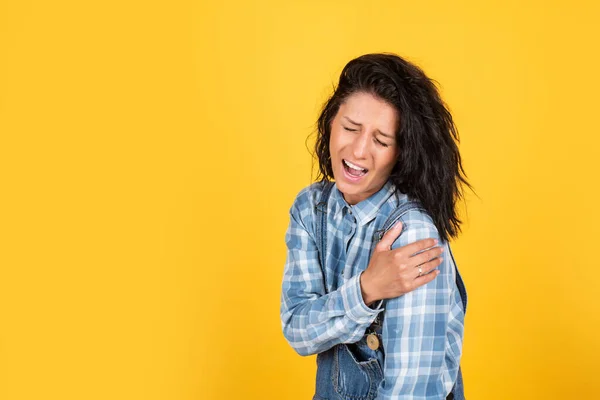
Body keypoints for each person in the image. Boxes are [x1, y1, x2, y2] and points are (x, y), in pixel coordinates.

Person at [280, 53, 471, 400]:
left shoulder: (413, 237)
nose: (358, 150)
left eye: (381, 141)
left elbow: (411, 394)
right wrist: (366, 289)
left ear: (401, 153)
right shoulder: (310, 209)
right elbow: (297, 328)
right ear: (330, 123)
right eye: (350, 128)